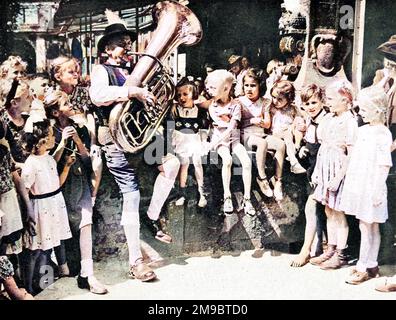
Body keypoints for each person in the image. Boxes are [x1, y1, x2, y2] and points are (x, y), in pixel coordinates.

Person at [89, 12, 175, 280]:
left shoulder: (134, 71)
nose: (127, 47)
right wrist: (132, 92)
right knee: (132, 194)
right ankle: (136, 261)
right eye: (121, 43)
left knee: (171, 165)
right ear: (107, 48)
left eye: (128, 42)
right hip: (114, 139)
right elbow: (98, 96)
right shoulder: (101, 70)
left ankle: (152, 216)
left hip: (140, 136)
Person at [44, 89, 107, 294]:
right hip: (59, 185)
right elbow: (47, 164)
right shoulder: (49, 131)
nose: (71, 105)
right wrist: (62, 144)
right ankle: (61, 270)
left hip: (80, 182)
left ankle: (88, 274)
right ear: (55, 113)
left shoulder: (78, 127)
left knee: (86, 223)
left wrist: (79, 143)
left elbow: (88, 159)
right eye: (66, 104)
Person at [339, 86, 392, 285]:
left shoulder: (382, 133)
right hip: (360, 184)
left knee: (369, 226)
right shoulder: (363, 130)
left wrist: (378, 189)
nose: (360, 112)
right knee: (367, 226)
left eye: (364, 109)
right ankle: (371, 264)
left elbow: (384, 163)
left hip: (372, 186)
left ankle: (364, 265)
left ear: (377, 109)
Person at [19, 117, 72, 294]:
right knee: (37, 249)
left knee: (49, 246)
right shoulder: (31, 164)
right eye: (50, 135)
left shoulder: (47, 157)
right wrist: (29, 214)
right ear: (41, 141)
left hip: (54, 205)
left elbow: (55, 181)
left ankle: (44, 283)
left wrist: (66, 165)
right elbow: (25, 190)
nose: (53, 137)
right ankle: (29, 287)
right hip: (41, 209)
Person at [309, 81, 358, 270]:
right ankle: (331, 247)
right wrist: (317, 173)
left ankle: (342, 253)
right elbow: (323, 145)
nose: (327, 102)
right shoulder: (331, 118)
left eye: (331, 99)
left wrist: (338, 178)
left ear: (345, 100)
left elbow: (351, 153)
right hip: (324, 169)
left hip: (337, 171)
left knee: (338, 213)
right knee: (329, 210)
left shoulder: (349, 121)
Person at [50, 56, 102, 204]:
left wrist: (93, 141)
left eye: (77, 71)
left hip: (83, 135)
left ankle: (92, 198)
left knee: (97, 163)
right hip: (62, 139)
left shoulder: (82, 93)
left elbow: (90, 115)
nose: (76, 75)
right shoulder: (53, 95)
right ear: (58, 76)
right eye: (71, 72)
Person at [205, 69, 255, 216]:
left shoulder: (236, 105)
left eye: (213, 88)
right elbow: (222, 126)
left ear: (226, 88)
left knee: (246, 162)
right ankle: (227, 196)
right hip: (220, 142)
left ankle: (247, 198)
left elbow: (232, 127)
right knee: (226, 160)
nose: (209, 91)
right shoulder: (212, 106)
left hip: (233, 139)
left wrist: (213, 144)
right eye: (209, 87)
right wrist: (214, 143)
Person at [290, 83, 328, 267]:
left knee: (312, 207)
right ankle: (317, 247)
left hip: (325, 171)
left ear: (322, 101)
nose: (311, 107)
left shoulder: (326, 121)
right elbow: (312, 144)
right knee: (319, 209)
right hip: (313, 170)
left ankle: (306, 250)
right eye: (307, 104)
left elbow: (327, 151)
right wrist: (304, 148)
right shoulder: (310, 121)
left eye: (314, 102)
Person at [171, 77, 209, 207]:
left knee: (197, 162)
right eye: (179, 95)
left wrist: (204, 143)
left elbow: (203, 129)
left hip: (194, 140)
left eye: (185, 94)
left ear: (194, 94)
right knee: (184, 163)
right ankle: (182, 193)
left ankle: (201, 192)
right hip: (180, 140)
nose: (182, 97)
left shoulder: (199, 111)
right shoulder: (175, 109)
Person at [238, 68, 273, 198]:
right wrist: (252, 120)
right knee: (262, 143)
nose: (249, 89)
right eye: (246, 85)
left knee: (280, 145)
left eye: (253, 85)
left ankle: (277, 179)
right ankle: (262, 177)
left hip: (260, 133)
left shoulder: (264, 102)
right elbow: (237, 123)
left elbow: (267, 123)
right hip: (245, 134)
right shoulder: (240, 101)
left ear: (260, 86)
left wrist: (262, 122)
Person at [268, 80, 306, 175]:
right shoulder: (271, 108)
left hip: (289, 135)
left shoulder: (293, 109)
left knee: (296, 124)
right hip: (275, 134)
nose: (275, 101)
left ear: (288, 99)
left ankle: (296, 146)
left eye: (280, 99)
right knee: (287, 134)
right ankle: (293, 161)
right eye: (273, 97)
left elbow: (299, 119)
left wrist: (293, 126)